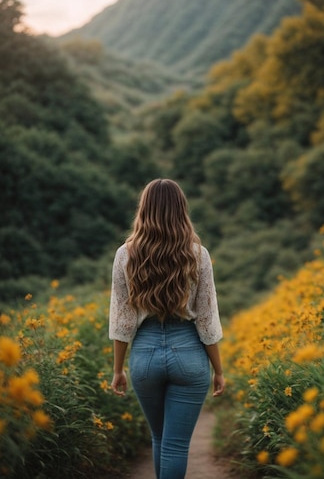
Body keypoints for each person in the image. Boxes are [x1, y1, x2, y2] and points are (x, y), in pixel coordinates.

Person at [109, 178, 225, 479]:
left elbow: (122, 320)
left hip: (144, 355)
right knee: (175, 445)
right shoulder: (198, 254)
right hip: (189, 353)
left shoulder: (126, 254)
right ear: (181, 209)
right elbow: (207, 319)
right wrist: (219, 370)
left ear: (143, 209)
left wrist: (118, 369)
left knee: (159, 439)